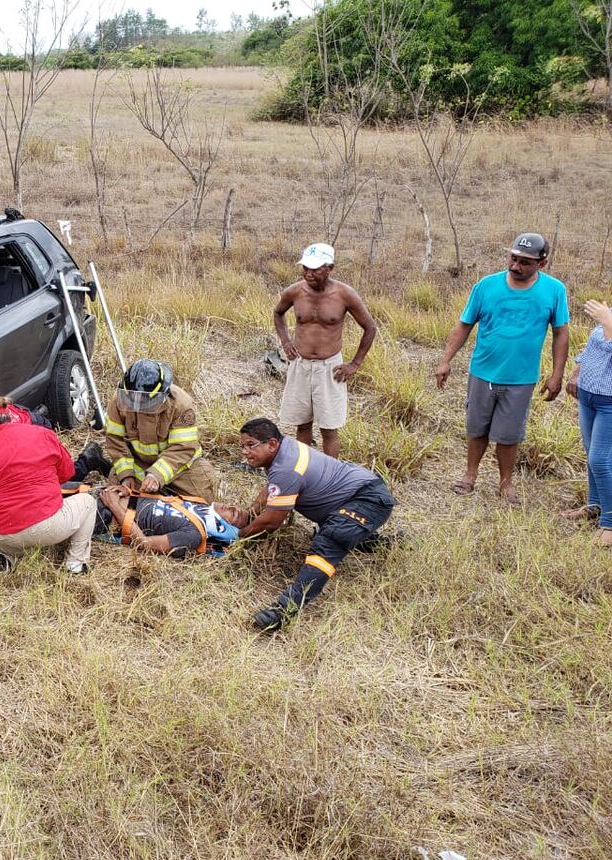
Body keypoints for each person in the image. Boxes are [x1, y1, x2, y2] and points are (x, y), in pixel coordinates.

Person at [435, 232, 570, 503]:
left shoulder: (554, 290)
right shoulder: (487, 286)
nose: (516, 266)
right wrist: (445, 360)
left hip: (521, 377)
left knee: (509, 434)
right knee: (477, 428)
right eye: (513, 258)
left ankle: (505, 483)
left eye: (525, 262)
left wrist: (557, 375)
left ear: (541, 264)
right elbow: (464, 325)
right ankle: (470, 475)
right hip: (483, 371)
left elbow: (560, 333)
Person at [235, 418, 395, 631]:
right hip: (357, 495)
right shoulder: (285, 451)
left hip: (367, 499)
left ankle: (283, 611)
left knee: (329, 541)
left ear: (272, 444)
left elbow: (272, 521)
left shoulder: (286, 467)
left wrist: (237, 537)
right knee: (339, 530)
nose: (245, 452)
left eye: (251, 445)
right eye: (242, 446)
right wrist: (251, 514)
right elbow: (273, 489)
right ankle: (383, 543)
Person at [0, 401, 97, 574]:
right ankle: (75, 564)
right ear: (9, 416)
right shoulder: (42, 434)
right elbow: (67, 473)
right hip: (49, 527)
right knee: (88, 502)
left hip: (2, 534)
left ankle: (5, 557)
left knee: (9, 542)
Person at [273, 242, 378, 458]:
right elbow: (278, 313)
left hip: (330, 367)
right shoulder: (293, 292)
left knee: (329, 428)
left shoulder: (345, 294)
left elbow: (370, 327)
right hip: (300, 365)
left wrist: (354, 364)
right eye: (305, 268)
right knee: (302, 424)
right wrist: (285, 341)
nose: (308, 274)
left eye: (315, 269)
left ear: (330, 267)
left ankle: (330, 478)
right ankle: (303, 471)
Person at [105, 359, 217, 500]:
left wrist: (156, 475)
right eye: (133, 399)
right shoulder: (119, 401)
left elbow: (181, 449)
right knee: (117, 497)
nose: (137, 406)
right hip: (138, 464)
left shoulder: (181, 406)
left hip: (178, 466)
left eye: (145, 401)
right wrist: (126, 475)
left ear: (163, 394)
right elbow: (115, 441)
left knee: (203, 498)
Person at [563, 299, 612, 548]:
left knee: (600, 459)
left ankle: (609, 523)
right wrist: (576, 372)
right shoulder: (608, 313)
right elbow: (593, 347)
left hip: (609, 402)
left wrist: (608, 323)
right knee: (590, 451)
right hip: (588, 396)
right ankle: (594, 506)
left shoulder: (608, 317)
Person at [94, 483, 248, 558]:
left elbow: (144, 543)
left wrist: (114, 505)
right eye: (234, 506)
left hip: (105, 516)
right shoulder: (198, 505)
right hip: (108, 496)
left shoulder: (193, 535)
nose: (230, 506)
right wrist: (130, 492)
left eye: (233, 513)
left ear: (224, 529)